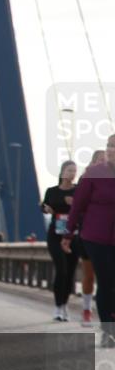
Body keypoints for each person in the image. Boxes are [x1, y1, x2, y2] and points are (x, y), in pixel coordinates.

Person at [64, 135, 115, 345]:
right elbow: (77, 206)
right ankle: (108, 331)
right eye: (109, 146)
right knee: (106, 282)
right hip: (96, 237)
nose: (111, 150)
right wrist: (68, 234)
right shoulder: (94, 174)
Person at [42, 161, 79, 321]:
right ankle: (57, 307)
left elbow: (86, 209)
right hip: (55, 235)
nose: (72, 174)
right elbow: (44, 205)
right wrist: (46, 208)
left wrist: (75, 203)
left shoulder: (78, 191)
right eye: (69, 170)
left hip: (72, 236)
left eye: (74, 171)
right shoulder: (52, 191)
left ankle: (64, 305)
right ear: (62, 172)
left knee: (70, 273)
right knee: (61, 269)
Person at [77, 149, 106, 323]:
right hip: (88, 234)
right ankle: (87, 309)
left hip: (108, 236)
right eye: (100, 160)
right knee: (90, 275)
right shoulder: (86, 180)